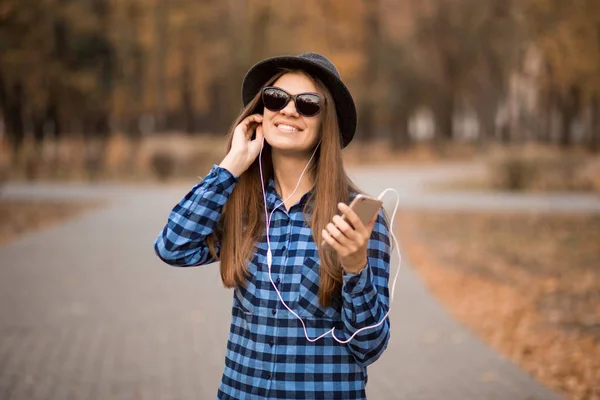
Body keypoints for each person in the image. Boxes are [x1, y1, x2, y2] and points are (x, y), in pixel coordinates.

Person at [154, 52, 391, 400]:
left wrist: (356, 267)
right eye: (276, 98)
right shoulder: (240, 204)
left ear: (327, 122)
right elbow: (172, 247)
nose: (290, 110)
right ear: (260, 113)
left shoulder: (355, 220)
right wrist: (231, 165)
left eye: (308, 104)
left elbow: (369, 347)